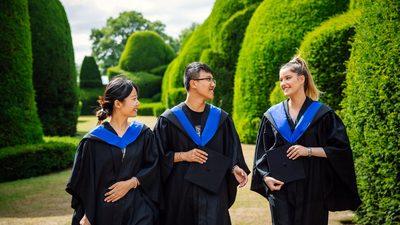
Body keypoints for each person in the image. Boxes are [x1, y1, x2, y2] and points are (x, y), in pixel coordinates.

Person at [250, 56, 361, 225]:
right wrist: (265, 178)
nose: (283, 83)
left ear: (301, 79)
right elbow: (261, 154)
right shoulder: (272, 116)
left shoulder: (322, 114)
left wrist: (307, 150)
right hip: (280, 187)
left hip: (313, 188)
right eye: (281, 79)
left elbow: (340, 150)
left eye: (288, 78)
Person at [154, 62, 249, 225]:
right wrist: (183, 156)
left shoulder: (221, 119)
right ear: (193, 83)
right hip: (180, 197)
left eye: (213, 80)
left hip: (213, 195)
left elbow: (231, 152)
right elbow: (154, 158)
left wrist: (234, 168)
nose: (213, 84)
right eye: (208, 79)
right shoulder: (169, 121)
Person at [66, 75, 160, 225]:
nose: (138, 103)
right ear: (117, 103)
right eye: (134, 99)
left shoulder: (143, 134)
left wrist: (132, 182)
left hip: (138, 209)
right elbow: (84, 181)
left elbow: (154, 165)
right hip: (104, 211)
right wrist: (86, 213)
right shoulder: (92, 141)